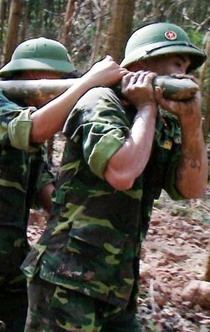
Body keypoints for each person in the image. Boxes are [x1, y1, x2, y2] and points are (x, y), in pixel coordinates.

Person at [0, 38, 126, 331]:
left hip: (10, 254)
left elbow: (46, 191)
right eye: (60, 81)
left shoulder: (34, 121)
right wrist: (88, 82)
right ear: (35, 76)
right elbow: (31, 129)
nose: (64, 88)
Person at [21, 22, 207, 331]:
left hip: (117, 284)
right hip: (68, 279)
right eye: (175, 60)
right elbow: (121, 172)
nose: (183, 71)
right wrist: (146, 106)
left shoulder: (164, 122)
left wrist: (191, 125)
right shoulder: (100, 102)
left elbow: (192, 189)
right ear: (142, 66)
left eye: (187, 65)